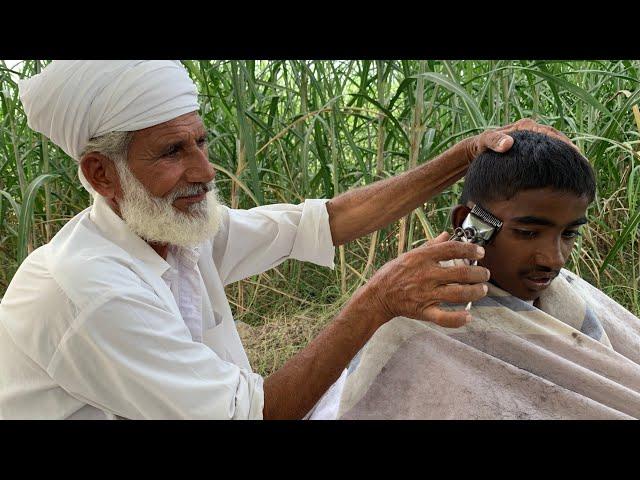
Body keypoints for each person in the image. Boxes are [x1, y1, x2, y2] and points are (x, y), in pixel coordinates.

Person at [0, 60, 564, 419]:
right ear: (102, 174)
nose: (205, 170)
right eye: (173, 152)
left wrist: (463, 156)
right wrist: (378, 299)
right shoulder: (89, 291)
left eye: (200, 141)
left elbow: (319, 222)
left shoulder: (173, 232)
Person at [325, 130, 640, 420]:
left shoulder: (572, 297)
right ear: (471, 223)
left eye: (570, 234)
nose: (554, 259)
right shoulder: (419, 321)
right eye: (528, 232)